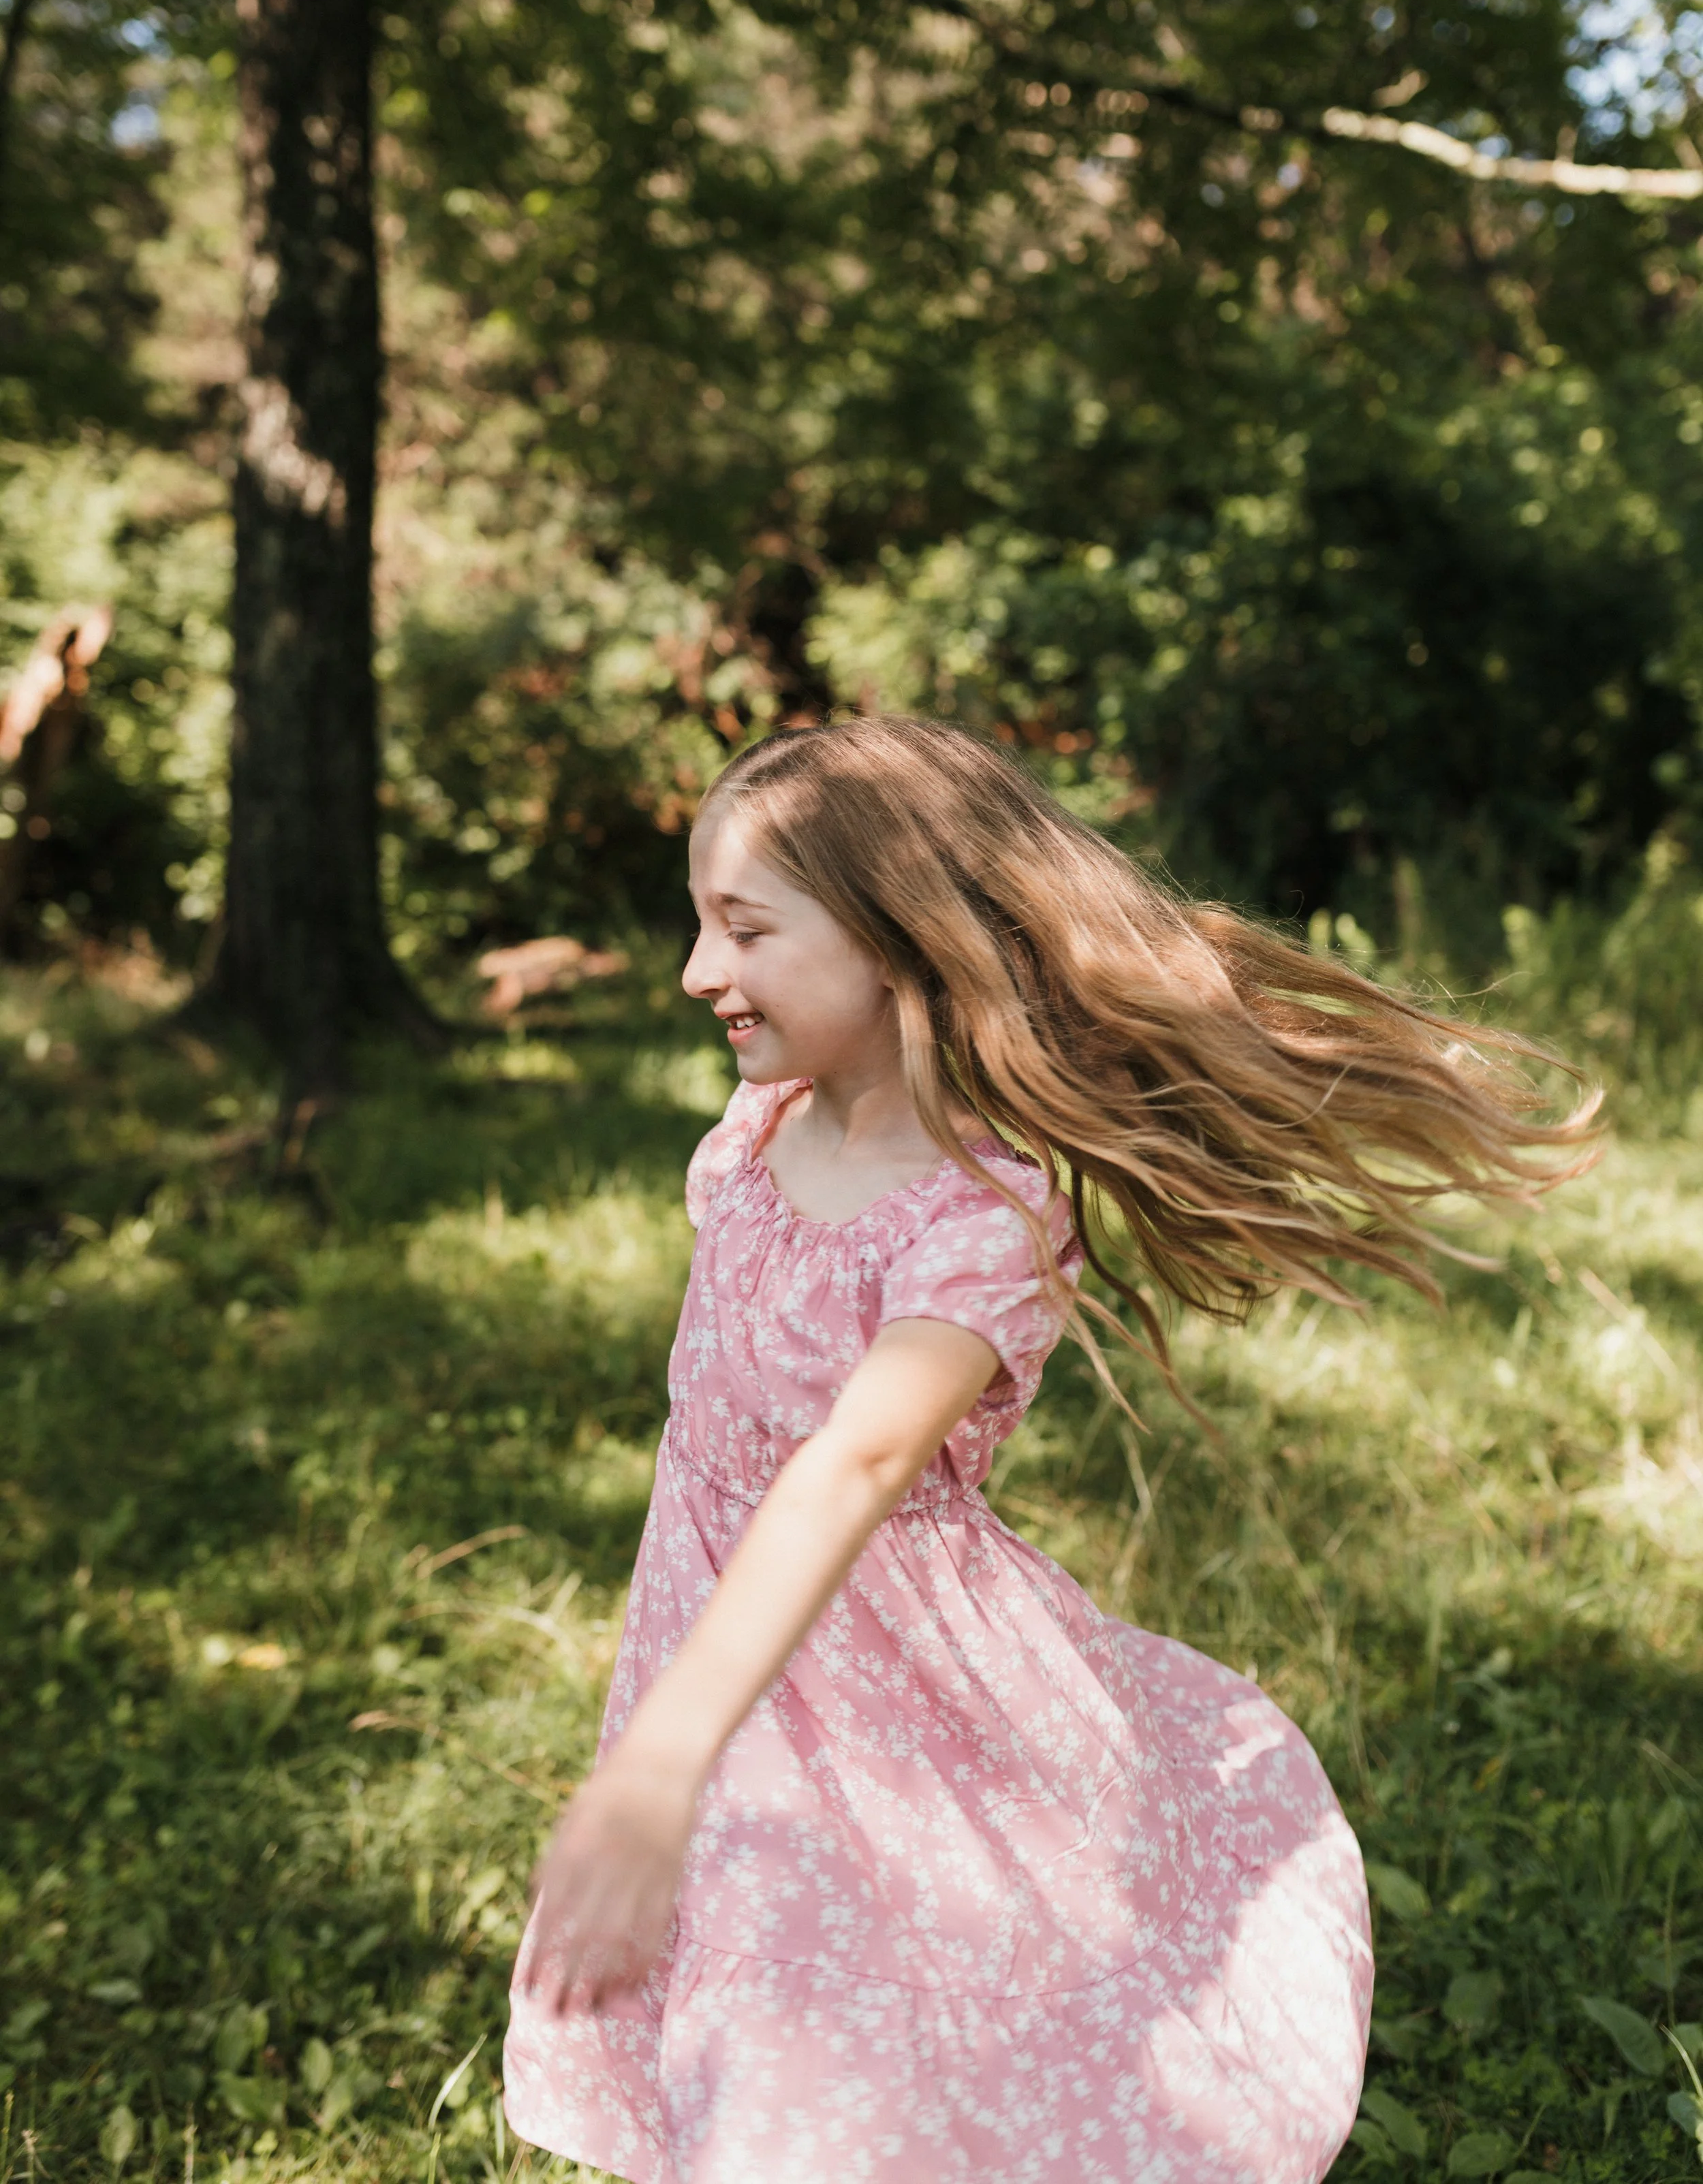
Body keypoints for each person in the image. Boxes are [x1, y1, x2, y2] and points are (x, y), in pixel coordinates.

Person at [503, 717, 1594, 2183]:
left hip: (892, 1698)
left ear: (895, 941)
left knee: (869, 2028)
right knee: (764, 2007)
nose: (699, 972)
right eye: (699, 923)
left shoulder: (983, 1218)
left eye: (744, 929)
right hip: (726, 1652)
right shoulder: (753, 1131)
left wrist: (656, 1767)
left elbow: (853, 1465)